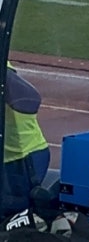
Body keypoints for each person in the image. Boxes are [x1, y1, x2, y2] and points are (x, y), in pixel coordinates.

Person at [2, 64, 50, 224]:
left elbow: (32, 99)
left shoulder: (7, 75)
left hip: (25, 157)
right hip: (9, 157)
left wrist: (4, 77)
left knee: (14, 210)